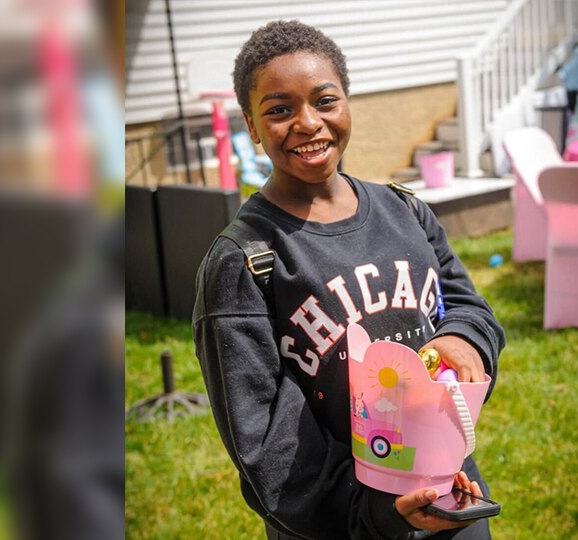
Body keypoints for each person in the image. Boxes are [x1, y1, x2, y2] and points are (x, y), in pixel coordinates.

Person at [193, 20, 505, 540]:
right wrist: (375, 515)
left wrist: (463, 338)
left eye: (325, 101)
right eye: (279, 110)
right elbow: (265, 442)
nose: (308, 123)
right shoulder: (244, 262)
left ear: (347, 102)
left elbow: (469, 307)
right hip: (342, 522)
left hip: (452, 495)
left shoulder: (404, 210)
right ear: (251, 124)